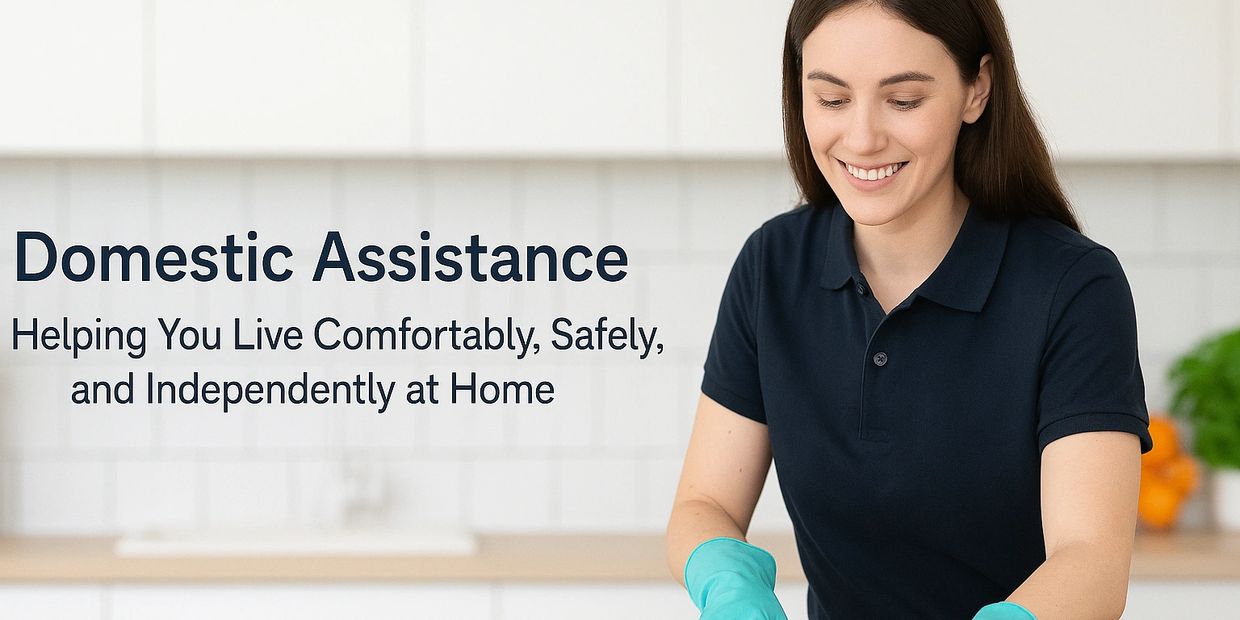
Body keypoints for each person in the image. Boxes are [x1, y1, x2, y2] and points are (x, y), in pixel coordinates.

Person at [665, 1, 1155, 618]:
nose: (863, 138)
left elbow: (1091, 562)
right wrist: (726, 583)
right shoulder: (773, 266)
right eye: (833, 100)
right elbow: (705, 501)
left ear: (976, 89)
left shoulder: (1072, 285)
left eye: (903, 100)